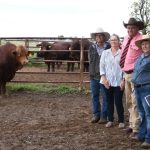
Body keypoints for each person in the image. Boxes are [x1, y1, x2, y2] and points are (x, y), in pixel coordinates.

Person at [120, 18, 145, 138]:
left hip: (136, 74)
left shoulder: (141, 40)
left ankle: (136, 127)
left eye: (133, 27)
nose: (130, 29)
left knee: (135, 101)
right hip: (126, 73)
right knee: (129, 101)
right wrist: (122, 76)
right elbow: (123, 56)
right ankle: (131, 123)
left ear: (137, 28)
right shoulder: (125, 38)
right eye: (128, 27)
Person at [100, 34, 125, 128]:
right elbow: (101, 66)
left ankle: (121, 120)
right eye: (112, 40)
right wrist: (104, 79)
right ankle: (110, 119)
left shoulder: (122, 53)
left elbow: (124, 68)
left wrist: (123, 80)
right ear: (109, 42)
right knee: (108, 101)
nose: (113, 42)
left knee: (118, 101)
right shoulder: (105, 53)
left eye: (115, 40)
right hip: (107, 81)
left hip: (119, 81)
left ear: (119, 41)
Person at [88, 27, 111, 123]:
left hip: (105, 76)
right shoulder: (91, 47)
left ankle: (104, 116)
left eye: (101, 35)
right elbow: (90, 60)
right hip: (93, 76)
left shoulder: (109, 47)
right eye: (97, 36)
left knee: (105, 96)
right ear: (95, 37)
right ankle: (96, 114)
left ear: (104, 37)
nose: (99, 37)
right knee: (94, 95)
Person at [132, 35, 150, 149]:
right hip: (138, 88)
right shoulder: (140, 57)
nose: (144, 46)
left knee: (149, 114)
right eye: (143, 44)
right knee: (142, 113)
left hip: (147, 89)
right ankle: (142, 134)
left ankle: (148, 139)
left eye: (147, 44)